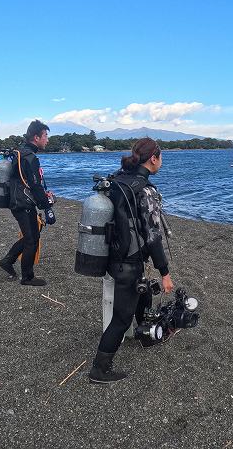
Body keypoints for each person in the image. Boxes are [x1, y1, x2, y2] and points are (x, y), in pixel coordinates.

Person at [88, 137, 174, 384]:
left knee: (143, 292)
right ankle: (99, 369)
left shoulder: (117, 180)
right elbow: (154, 237)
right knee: (121, 317)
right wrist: (165, 272)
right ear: (153, 159)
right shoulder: (145, 190)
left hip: (112, 256)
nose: (161, 161)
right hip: (129, 261)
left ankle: (143, 331)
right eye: (161, 157)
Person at [0, 120, 52, 286]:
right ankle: (27, 277)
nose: (47, 140)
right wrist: (47, 205)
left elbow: (25, 182)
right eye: (45, 136)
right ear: (36, 137)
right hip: (22, 204)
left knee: (31, 236)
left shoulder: (20, 153)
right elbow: (35, 185)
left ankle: (8, 260)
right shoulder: (30, 157)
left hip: (16, 201)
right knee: (32, 239)